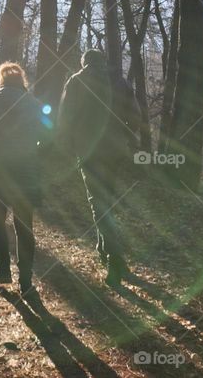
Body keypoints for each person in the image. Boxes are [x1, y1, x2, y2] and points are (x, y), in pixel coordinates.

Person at [57, 49, 140, 287]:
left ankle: (116, 262)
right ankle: (105, 251)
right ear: (104, 61)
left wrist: (68, 146)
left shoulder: (76, 81)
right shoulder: (120, 82)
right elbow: (135, 115)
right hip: (116, 151)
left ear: (84, 63)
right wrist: (125, 135)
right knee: (107, 202)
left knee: (99, 204)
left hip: (89, 152)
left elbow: (65, 118)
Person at [0, 62, 49, 294]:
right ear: (22, 81)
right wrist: (36, 153)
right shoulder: (35, 104)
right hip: (26, 170)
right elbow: (49, 135)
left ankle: (3, 269)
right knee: (24, 224)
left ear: (2, 79)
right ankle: (26, 279)